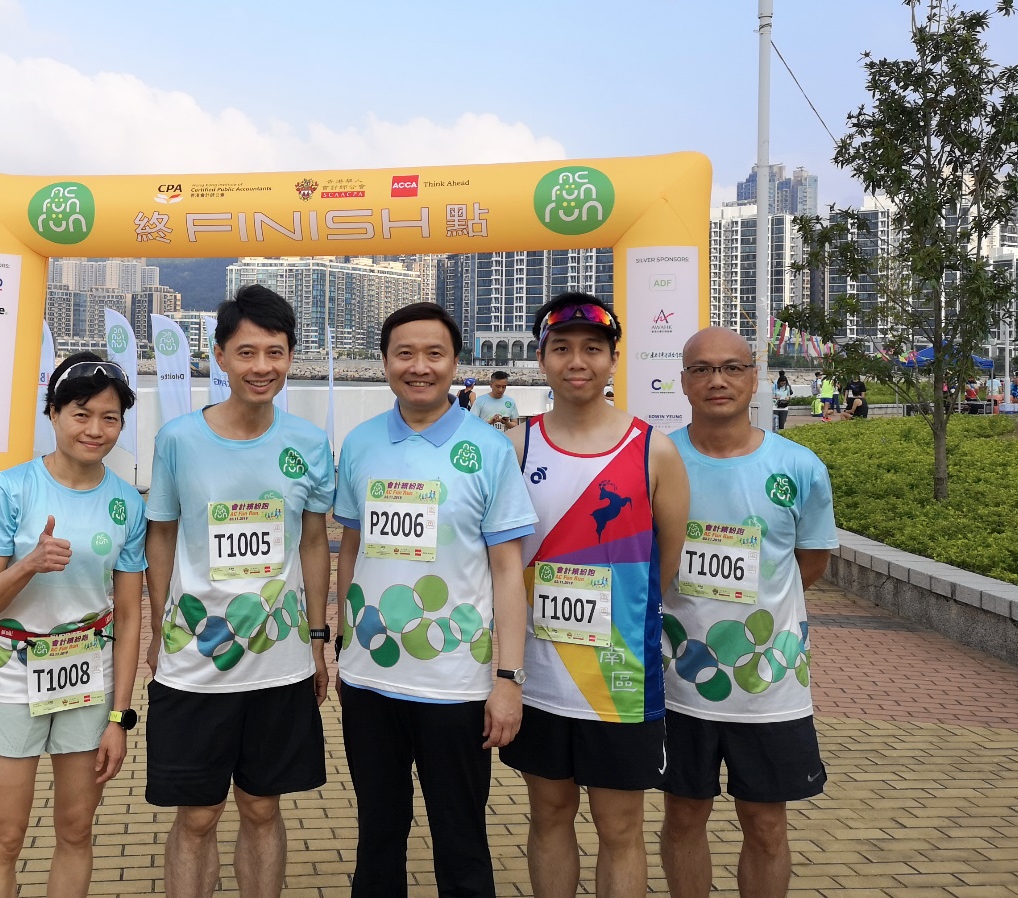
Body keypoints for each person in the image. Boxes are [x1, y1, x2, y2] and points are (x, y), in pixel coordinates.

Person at [334, 302, 538, 898]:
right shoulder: (362, 443)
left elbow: (507, 571)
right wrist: (344, 637)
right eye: (405, 353)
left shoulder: (490, 449)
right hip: (370, 678)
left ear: (455, 364)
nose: (418, 366)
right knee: (378, 831)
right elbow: (353, 546)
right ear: (385, 362)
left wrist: (508, 678)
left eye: (434, 354)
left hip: (457, 683)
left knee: (461, 835)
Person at [144, 285, 334, 898]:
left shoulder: (307, 442)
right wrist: (156, 631)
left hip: (279, 664)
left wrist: (317, 640)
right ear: (219, 356)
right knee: (197, 817)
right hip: (196, 662)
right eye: (246, 352)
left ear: (290, 357)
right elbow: (162, 540)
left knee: (261, 810)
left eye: (274, 353)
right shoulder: (177, 440)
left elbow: (313, 544)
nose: (261, 367)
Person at [498, 293, 689, 898]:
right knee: (549, 815)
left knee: (620, 826)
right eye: (561, 349)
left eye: (591, 349)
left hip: (620, 679)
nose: (576, 361)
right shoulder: (514, 446)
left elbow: (664, 570)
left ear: (612, 360)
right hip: (539, 675)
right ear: (542, 360)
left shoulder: (653, 450)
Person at [659, 327, 838, 898]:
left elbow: (808, 562)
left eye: (732, 368)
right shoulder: (656, 460)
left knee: (765, 825)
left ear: (754, 377)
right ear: (684, 381)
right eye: (703, 369)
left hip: (769, 684)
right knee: (684, 817)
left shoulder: (800, 466)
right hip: (676, 680)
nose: (718, 380)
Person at [0, 353, 145, 898]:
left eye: (109, 417)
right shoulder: (10, 489)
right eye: (81, 413)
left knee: (75, 829)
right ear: (53, 413)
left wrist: (119, 715)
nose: (95, 429)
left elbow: (131, 615)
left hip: (87, 678)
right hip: (12, 675)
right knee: (6, 834)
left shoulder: (125, 503)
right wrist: (28, 565)